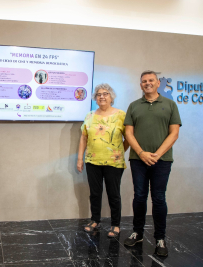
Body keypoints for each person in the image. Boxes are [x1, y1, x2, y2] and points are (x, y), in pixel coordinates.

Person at [123, 70, 181, 257]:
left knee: (159, 198)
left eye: (150, 80)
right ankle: (137, 233)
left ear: (158, 83)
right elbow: (129, 133)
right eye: (144, 81)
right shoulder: (133, 106)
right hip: (137, 160)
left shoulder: (170, 104)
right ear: (140, 85)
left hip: (162, 160)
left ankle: (160, 238)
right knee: (139, 196)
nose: (147, 83)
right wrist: (141, 153)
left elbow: (174, 133)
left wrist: (156, 154)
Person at [77, 83, 129, 238]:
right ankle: (95, 220)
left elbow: (129, 138)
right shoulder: (90, 115)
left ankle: (115, 224)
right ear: (95, 98)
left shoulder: (121, 115)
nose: (102, 96)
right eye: (98, 94)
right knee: (95, 193)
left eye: (105, 94)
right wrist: (80, 159)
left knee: (114, 194)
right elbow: (83, 138)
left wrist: (118, 151)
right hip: (92, 161)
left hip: (114, 162)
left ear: (111, 97)